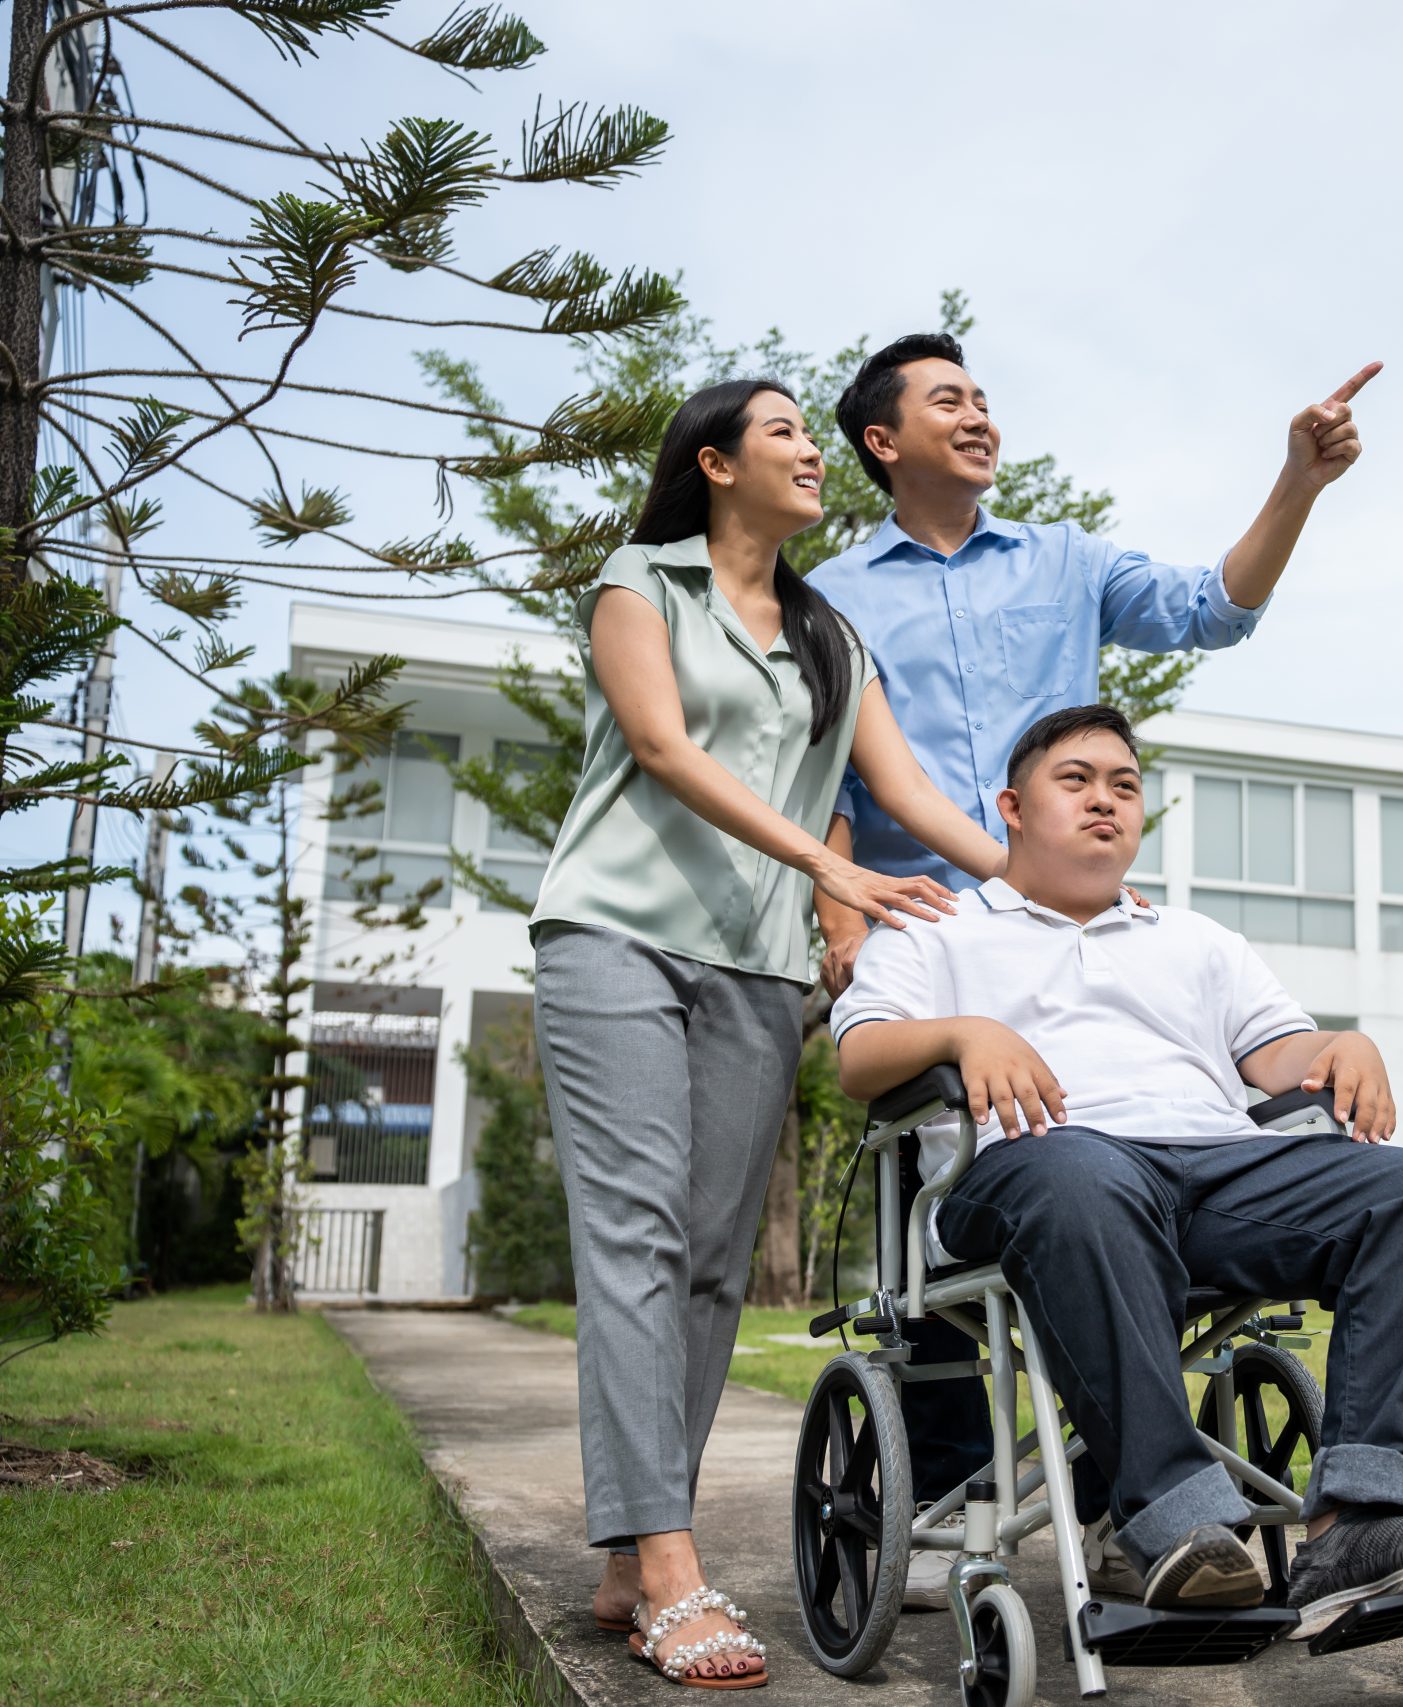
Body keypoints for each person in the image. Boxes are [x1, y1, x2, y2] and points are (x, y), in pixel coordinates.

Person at [803, 331, 1379, 1599]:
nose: (980, 416)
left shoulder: (1063, 560)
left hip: (1070, 913)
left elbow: (1212, 608)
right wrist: (844, 914)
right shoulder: (831, 594)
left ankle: (1162, 1494)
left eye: (986, 399)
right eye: (948, 400)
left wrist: (1300, 482)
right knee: (950, 1277)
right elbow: (832, 769)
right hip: (930, 936)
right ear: (882, 442)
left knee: (1124, 1167)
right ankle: (963, 1499)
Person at [529, 377, 1017, 1689]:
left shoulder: (829, 634)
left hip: (750, 968)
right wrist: (831, 867)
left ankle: (634, 1551)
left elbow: (910, 789)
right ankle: (673, 1565)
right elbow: (663, 744)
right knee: (634, 1238)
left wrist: (1045, 883)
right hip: (616, 939)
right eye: (788, 431)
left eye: (813, 433)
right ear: (718, 461)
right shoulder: (647, 581)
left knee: (706, 1265)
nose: (812, 451)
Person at [831, 705, 1403, 1634]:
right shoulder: (939, 929)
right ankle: (1171, 1525)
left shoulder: (1196, 941)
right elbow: (860, 1056)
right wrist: (965, 1031)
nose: (1104, 800)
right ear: (1012, 807)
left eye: (1123, 784)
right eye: (1075, 780)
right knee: (1082, 1178)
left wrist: (1341, 1043)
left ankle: (1361, 1522)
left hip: (1215, 1170)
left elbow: (1281, 1058)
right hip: (1040, 1170)